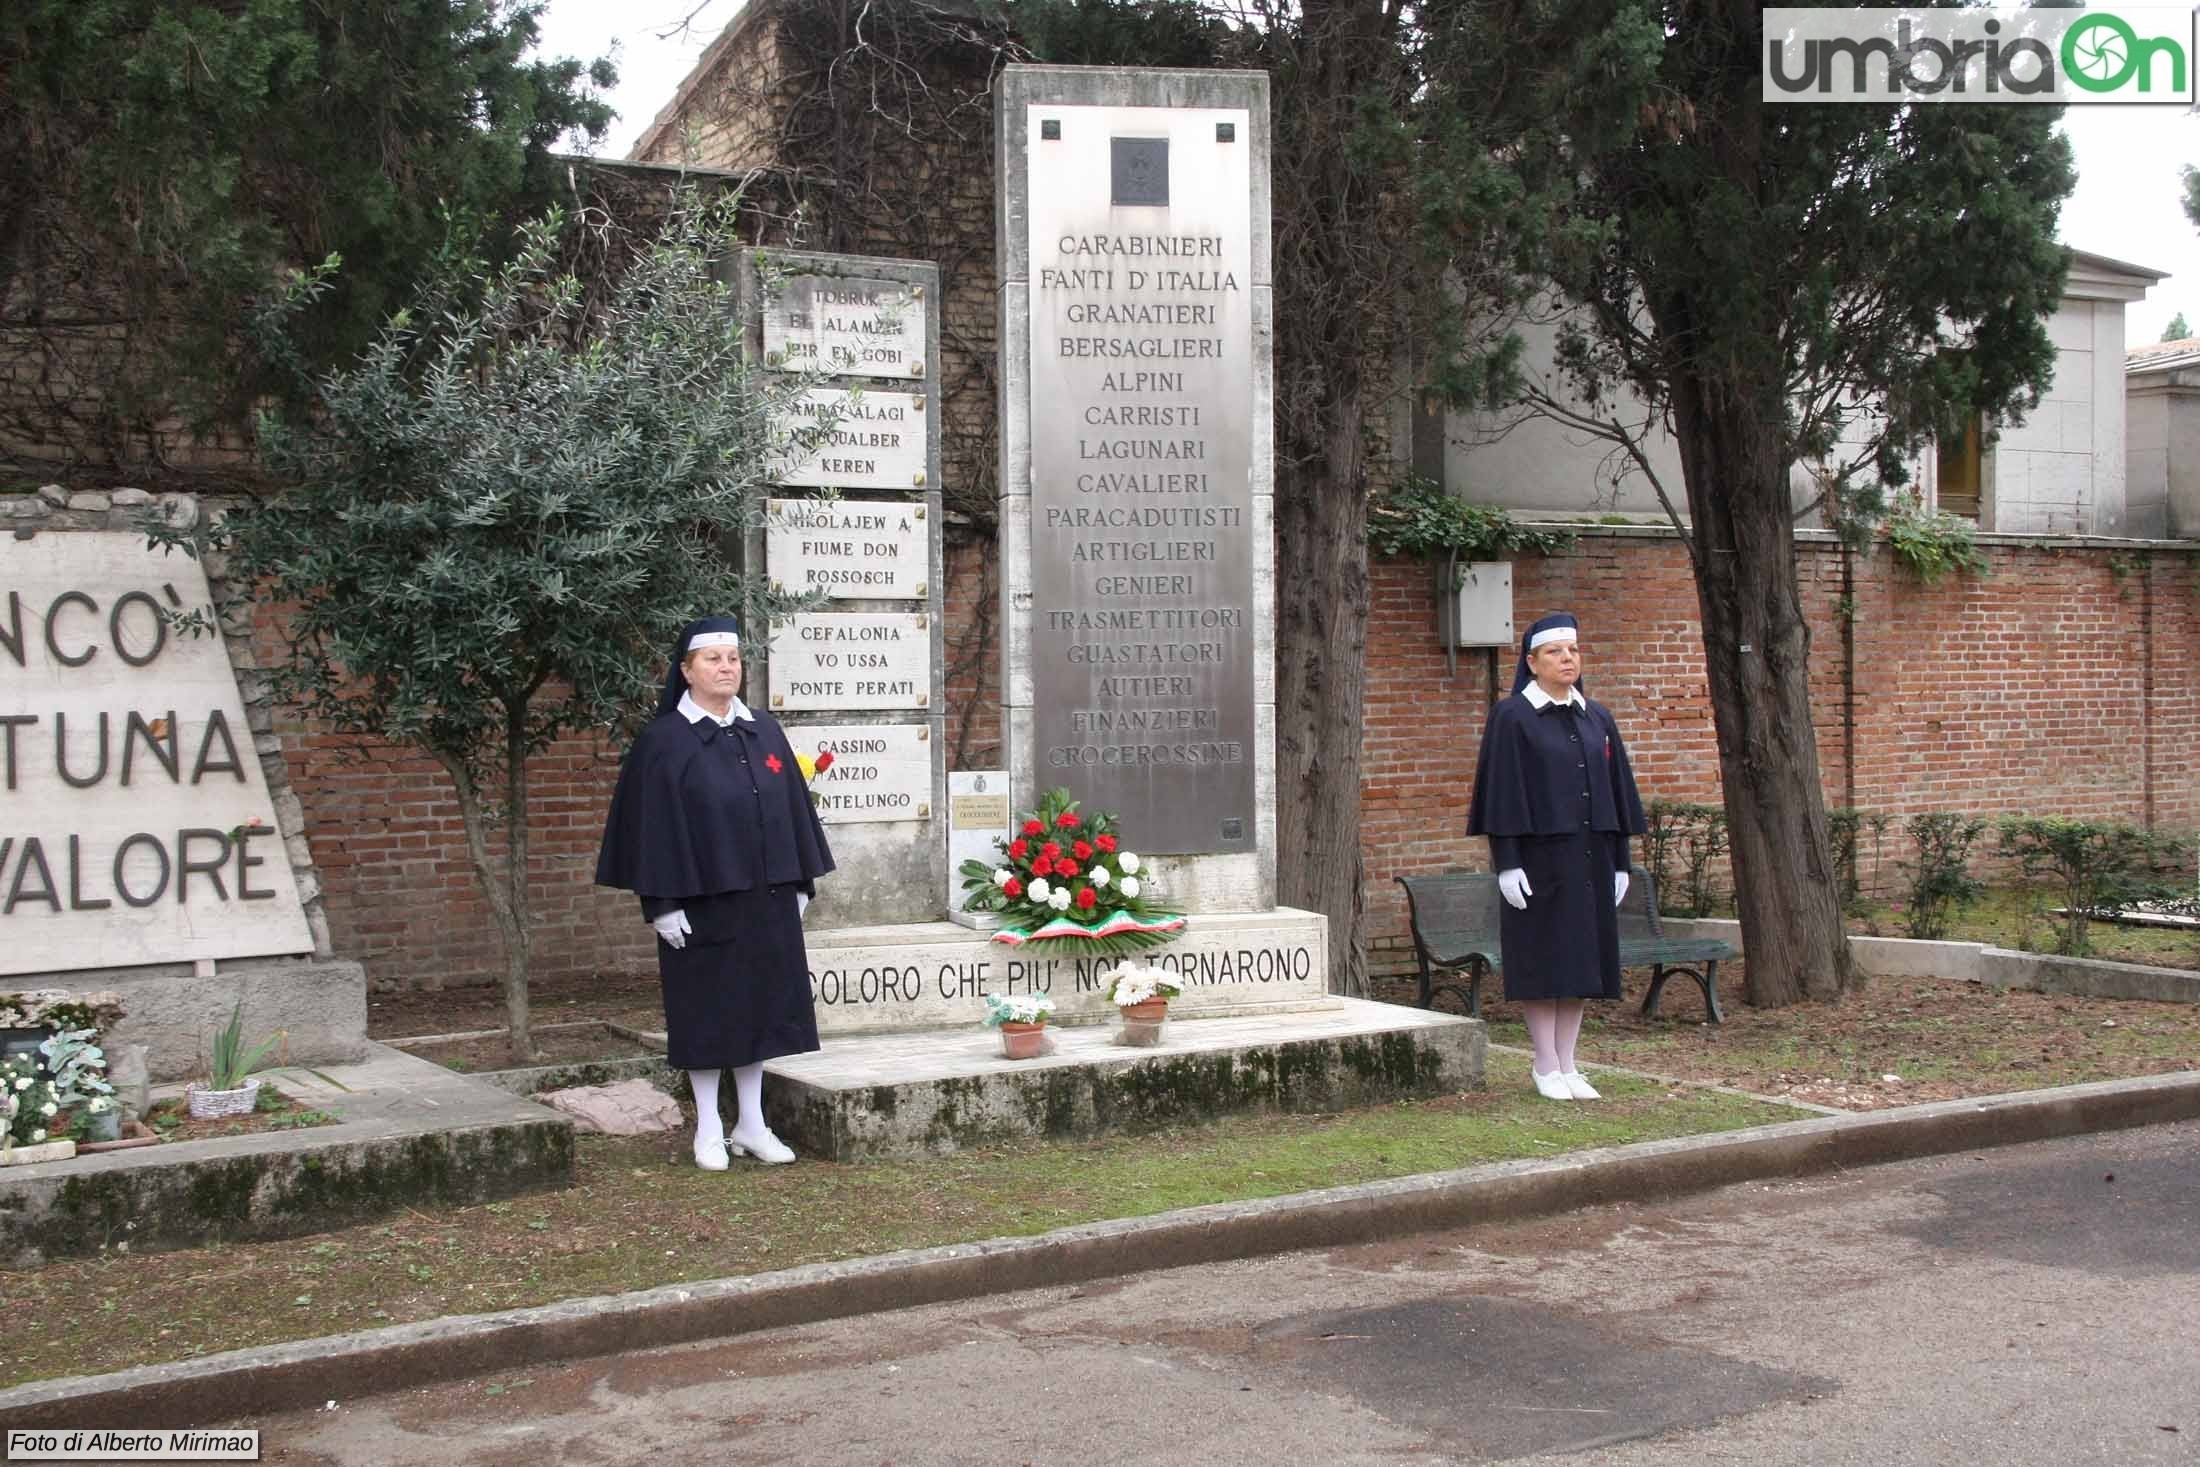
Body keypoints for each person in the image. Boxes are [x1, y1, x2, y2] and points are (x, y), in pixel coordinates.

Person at [596, 616, 834, 1169]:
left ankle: (752, 1123)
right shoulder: (664, 742)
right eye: (712, 659)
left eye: (732, 658)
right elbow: (649, 829)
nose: (726, 667)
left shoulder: (764, 731)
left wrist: (800, 879)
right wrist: (660, 904)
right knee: (707, 1013)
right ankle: (708, 1127)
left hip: (766, 898)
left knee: (761, 1009)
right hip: (700, 903)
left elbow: (792, 807)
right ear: (686, 671)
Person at [1466, 612, 1646, 1102]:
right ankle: (1544, 1064)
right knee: (1545, 961)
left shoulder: (1597, 716)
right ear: (1532, 662)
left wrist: (1620, 860)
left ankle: (1569, 1062)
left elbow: (1615, 791)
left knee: (1580, 963)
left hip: (1591, 859)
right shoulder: (1513, 716)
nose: (1567, 659)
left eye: (1573, 651)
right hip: (1539, 860)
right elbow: (1502, 790)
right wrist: (1507, 861)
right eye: (1554, 652)